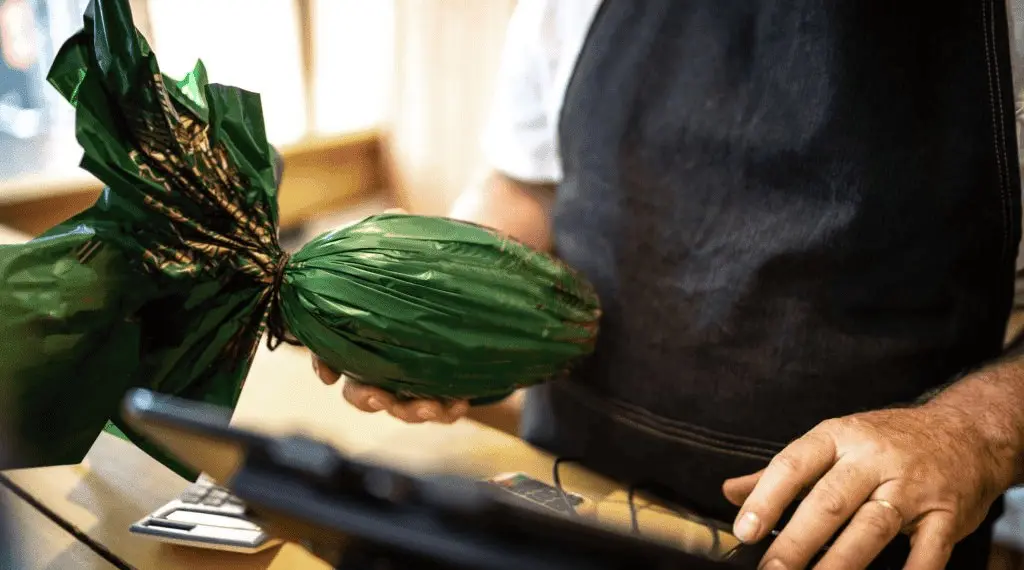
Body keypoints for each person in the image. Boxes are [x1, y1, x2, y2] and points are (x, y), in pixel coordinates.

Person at [315, 1, 1024, 568]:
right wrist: (434, 307)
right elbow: (525, 187)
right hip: (564, 492)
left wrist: (971, 435)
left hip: (846, 542)